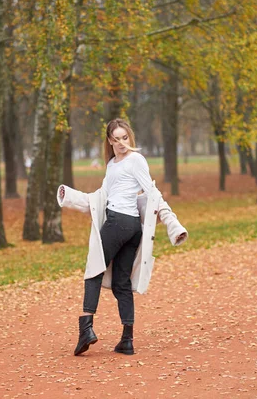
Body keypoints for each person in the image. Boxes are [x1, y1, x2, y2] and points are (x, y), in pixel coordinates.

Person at [57, 118, 188, 356]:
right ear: (109, 141)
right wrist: (72, 198)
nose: (121, 143)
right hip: (129, 227)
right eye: (116, 139)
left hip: (120, 223)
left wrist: (172, 222)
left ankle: (86, 329)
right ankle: (127, 340)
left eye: (124, 138)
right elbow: (103, 196)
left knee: (93, 269)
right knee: (120, 282)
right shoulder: (111, 164)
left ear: (130, 137)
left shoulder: (136, 160)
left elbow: (153, 194)